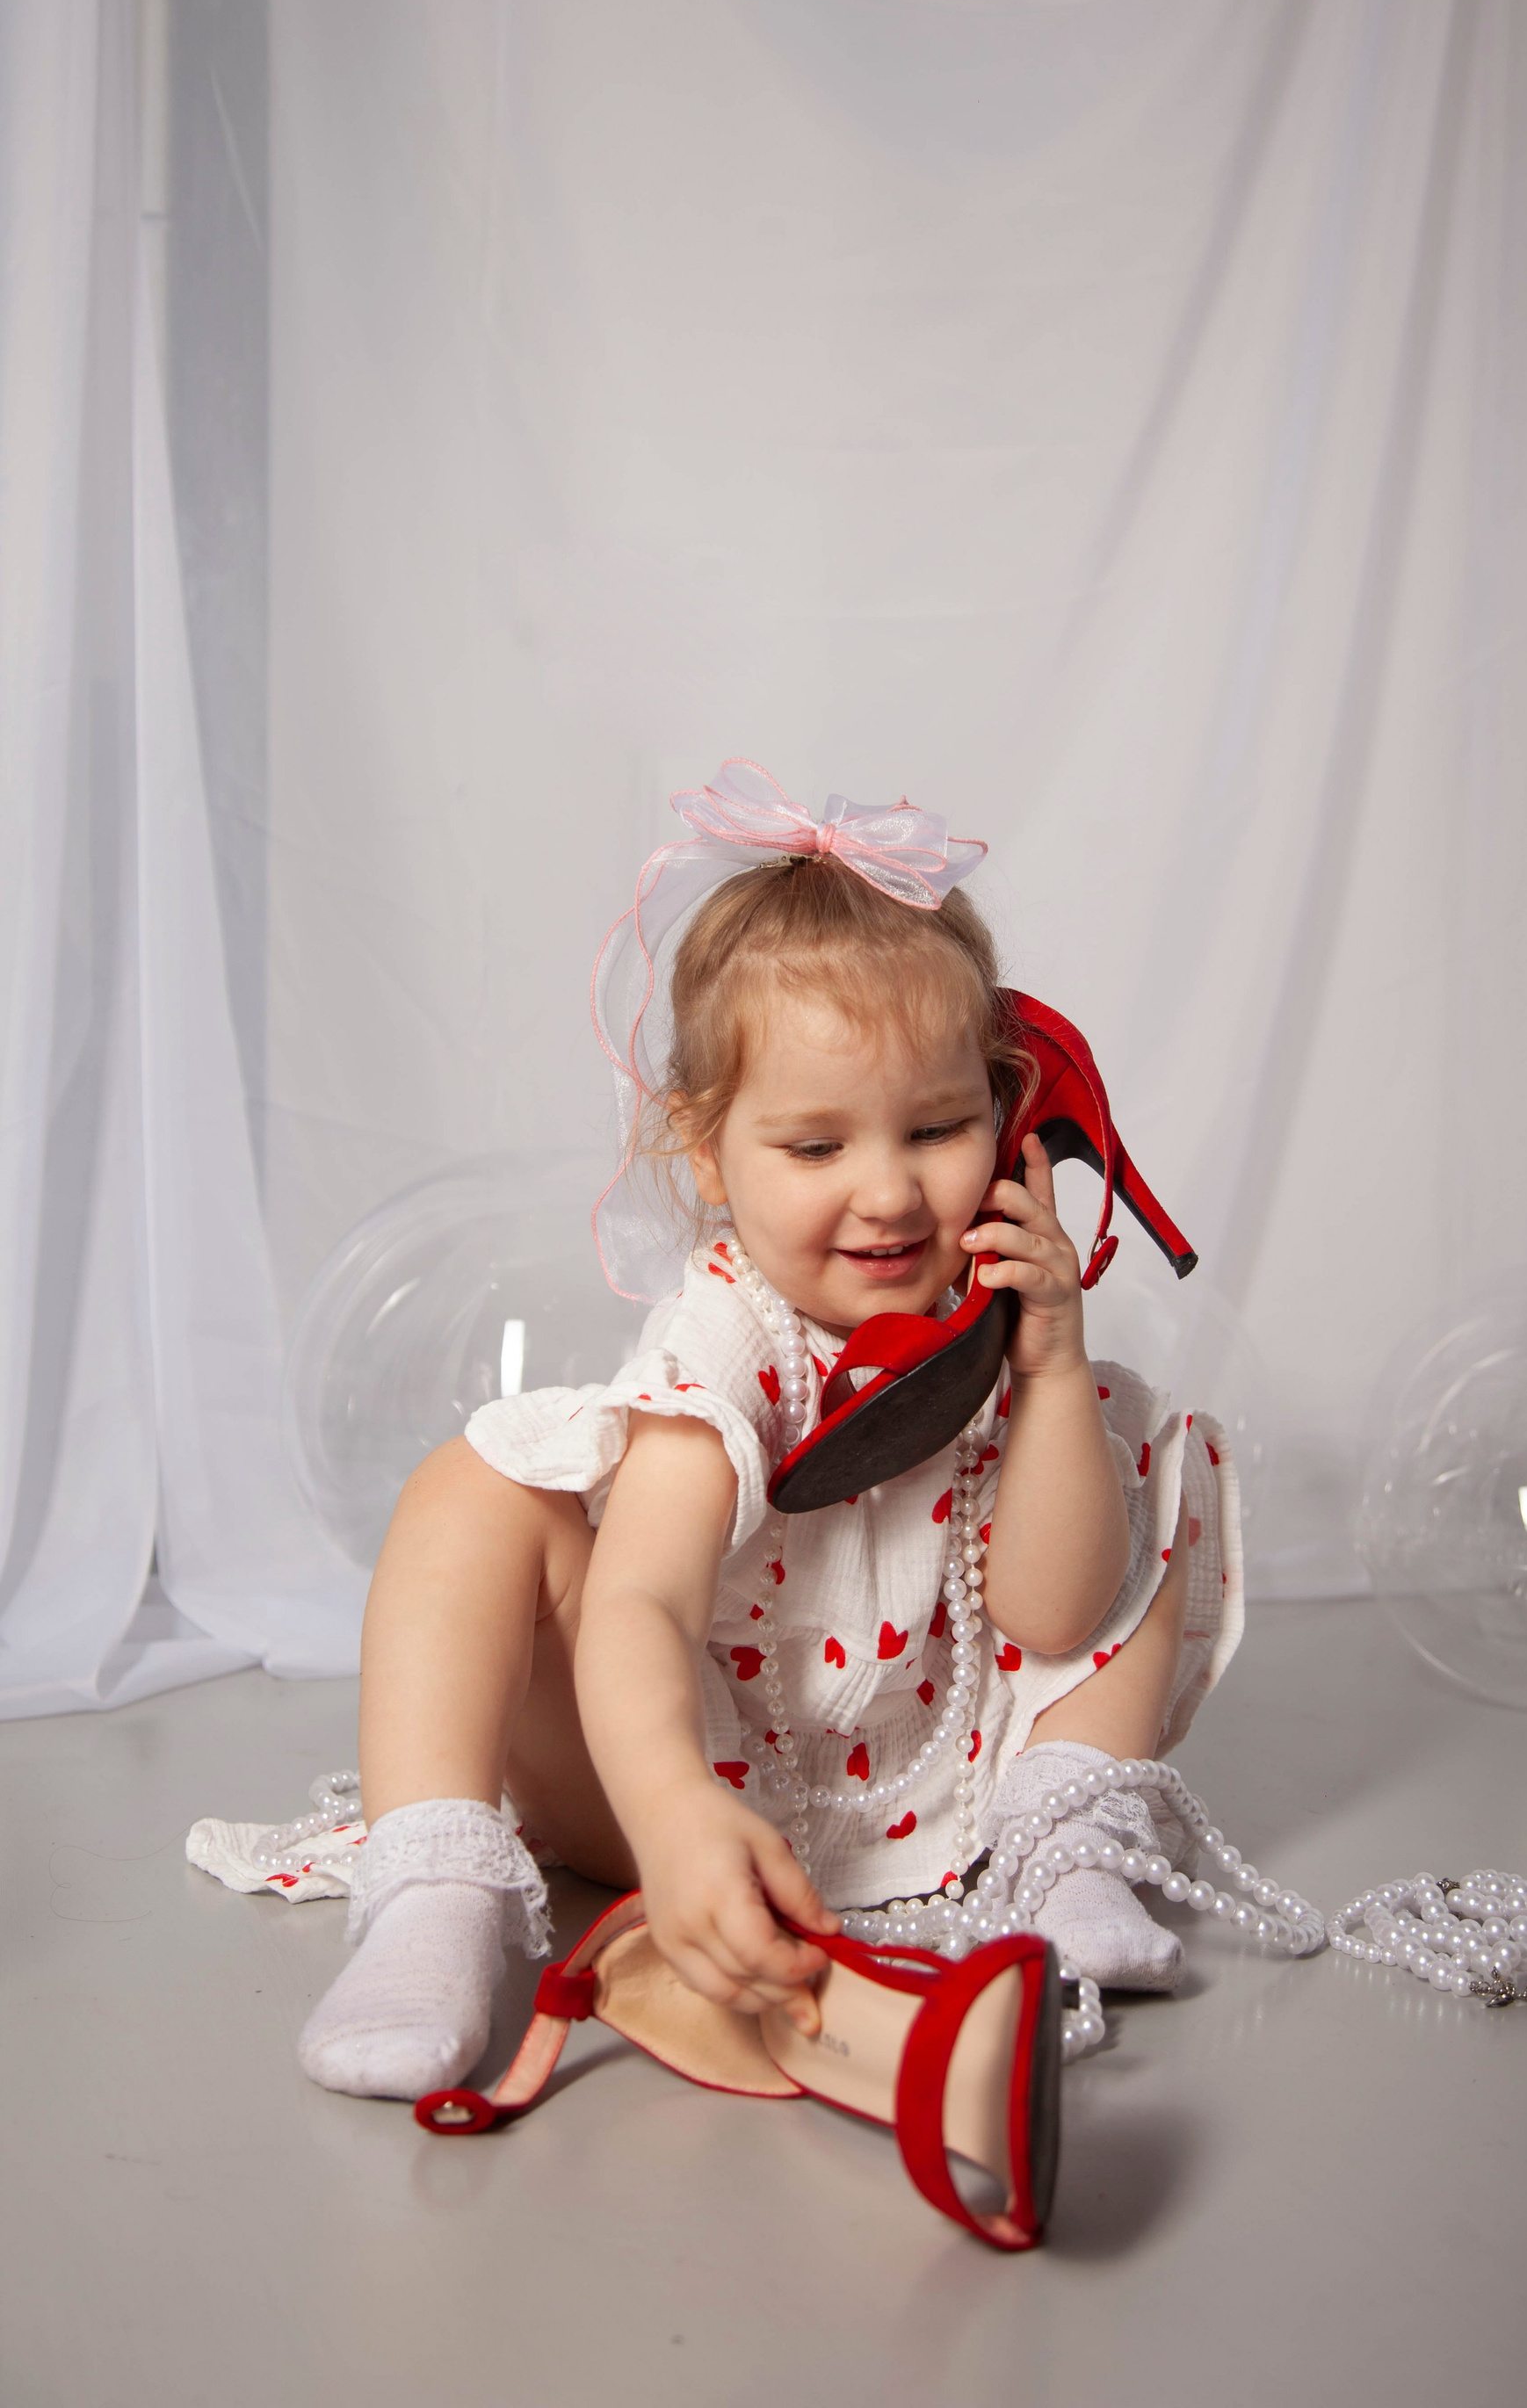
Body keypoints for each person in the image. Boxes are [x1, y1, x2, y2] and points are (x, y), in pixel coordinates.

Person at [299, 767, 1240, 2100]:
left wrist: (1051, 1369)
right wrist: (675, 1809)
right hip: (690, 1782)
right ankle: (436, 1899)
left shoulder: (1002, 1317)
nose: (889, 1192)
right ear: (706, 1150)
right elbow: (638, 1601)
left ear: (1011, 1113)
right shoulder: (730, 1332)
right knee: (470, 1492)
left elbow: (1051, 1613)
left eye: (939, 1127)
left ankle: (1064, 1844)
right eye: (814, 1148)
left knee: (1140, 1461)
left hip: (954, 1778)